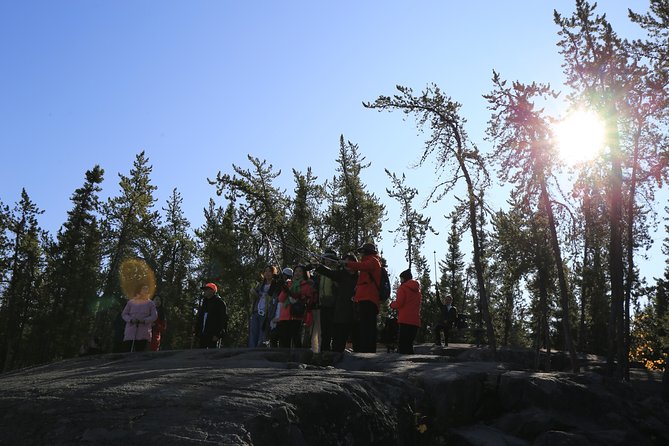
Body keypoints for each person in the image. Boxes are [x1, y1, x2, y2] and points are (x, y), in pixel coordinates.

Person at [313, 254, 359, 352]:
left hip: (355, 314)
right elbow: (329, 273)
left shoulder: (360, 277)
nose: (347, 265)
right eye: (345, 262)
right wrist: (318, 266)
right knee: (338, 341)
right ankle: (334, 359)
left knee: (356, 340)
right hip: (341, 314)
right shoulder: (341, 274)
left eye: (349, 262)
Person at [344, 242, 382, 353]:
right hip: (365, 298)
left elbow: (364, 266)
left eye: (362, 252)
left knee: (368, 326)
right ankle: (365, 349)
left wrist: (349, 263)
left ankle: (368, 350)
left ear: (367, 252)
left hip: (368, 298)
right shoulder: (371, 260)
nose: (361, 254)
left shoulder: (373, 260)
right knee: (365, 325)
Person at [278, 265, 314, 349]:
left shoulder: (306, 285)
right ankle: (284, 358)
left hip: (297, 316)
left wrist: (298, 297)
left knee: (296, 338)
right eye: (296, 271)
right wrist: (285, 290)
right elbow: (281, 299)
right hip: (285, 315)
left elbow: (308, 299)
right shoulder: (288, 283)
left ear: (304, 273)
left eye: (300, 271)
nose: (297, 273)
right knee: (284, 339)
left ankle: (297, 359)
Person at [390, 269, 422, 354]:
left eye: (401, 278)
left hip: (405, 320)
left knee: (403, 344)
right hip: (415, 320)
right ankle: (411, 365)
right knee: (409, 344)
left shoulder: (403, 288)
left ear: (404, 278)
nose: (400, 280)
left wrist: (392, 304)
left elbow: (399, 303)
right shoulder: (418, 291)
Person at [248, 266, 279, 348]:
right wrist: (253, 293)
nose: (267, 273)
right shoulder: (260, 285)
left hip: (267, 312)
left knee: (263, 333)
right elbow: (254, 297)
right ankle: (251, 350)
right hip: (256, 310)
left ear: (273, 273)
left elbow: (275, 299)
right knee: (253, 331)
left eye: (270, 271)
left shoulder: (276, 285)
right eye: (266, 271)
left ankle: (260, 350)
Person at [314, 249, 338, 351]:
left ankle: (331, 349)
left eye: (329, 259)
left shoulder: (335, 272)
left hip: (333, 303)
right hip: (322, 303)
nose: (327, 261)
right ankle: (324, 349)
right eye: (325, 259)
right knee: (324, 329)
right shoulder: (321, 273)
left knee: (331, 328)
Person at [121, 285, 158, 352]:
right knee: (127, 352)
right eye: (144, 288)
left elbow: (154, 316)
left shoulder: (151, 303)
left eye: (147, 289)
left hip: (144, 333)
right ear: (139, 290)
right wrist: (131, 320)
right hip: (130, 333)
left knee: (141, 354)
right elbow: (124, 314)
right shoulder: (131, 302)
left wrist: (144, 320)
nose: (145, 290)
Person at [195, 282, 228, 349]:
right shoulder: (204, 303)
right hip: (203, 335)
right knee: (200, 355)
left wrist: (218, 335)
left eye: (206, 289)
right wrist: (196, 331)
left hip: (213, 336)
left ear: (212, 291)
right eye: (204, 290)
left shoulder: (220, 303)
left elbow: (223, 320)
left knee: (212, 355)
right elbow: (201, 318)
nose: (204, 291)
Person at [267, 268, 292, 348]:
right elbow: (271, 293)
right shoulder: (277, 283)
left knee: (283, 337)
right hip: (275, 311)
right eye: (282, 275)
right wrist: (275, 282)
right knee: (273, 336)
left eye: (285, 276)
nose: (283, 277)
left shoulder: (289, 284)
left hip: (283, 315)